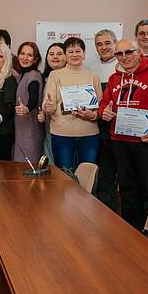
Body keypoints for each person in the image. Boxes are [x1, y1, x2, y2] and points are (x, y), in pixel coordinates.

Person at [99, 39, 148, 230]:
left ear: (139, 52)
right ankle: (132, 233)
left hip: (147, 142)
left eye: (129, 52)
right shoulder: (114, 78)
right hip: (119, 142)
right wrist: (104, 112)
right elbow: (104, 105)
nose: (124, 57)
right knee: (127, 190)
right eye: (119, 54)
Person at [42, 38, 102, 170]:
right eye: (70, 51)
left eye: (78, 51)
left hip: (89, 135)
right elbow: (48, 104)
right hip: (62, 134)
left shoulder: (93, 76)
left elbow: (100, 107)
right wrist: (49, 107)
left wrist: (92, 115)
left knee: (87, 174)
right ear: (65, 54)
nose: (74, 54)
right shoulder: (55, 75)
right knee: (65, 175)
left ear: (84, 53)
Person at [92, 29, 120, 212]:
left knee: (125, 175)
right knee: (105, 174)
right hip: (100, 128)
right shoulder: (91, 68)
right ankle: (106, 213)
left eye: (107, 43)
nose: (103, 47)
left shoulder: (124, 65)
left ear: (115, 43)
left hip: (123, 129)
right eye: (99, 44)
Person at [13, 42, 44, 163]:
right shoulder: (22, 74)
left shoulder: (33, 76)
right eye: (22, 54)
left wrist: (27, 108)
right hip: (21, 128)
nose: (25, 58)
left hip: (30, 130)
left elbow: (33, 100)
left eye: (29, 55)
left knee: (28, 165)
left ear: (35, 59)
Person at [38, 43, 66, 164]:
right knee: (50, 161)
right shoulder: (42, 78)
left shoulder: (71, 77)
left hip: (66, 127)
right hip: (47, 127)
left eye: (59, 54)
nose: (55, 57)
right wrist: (42, 113)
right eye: (51, 54)